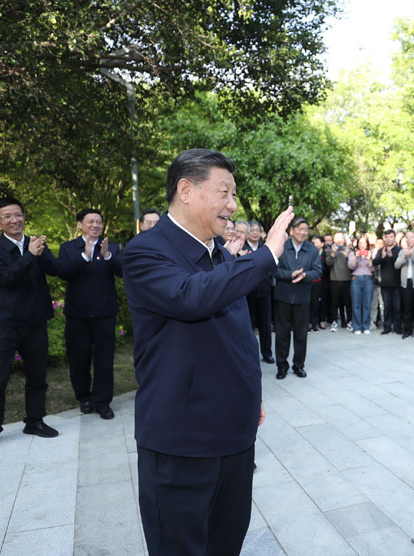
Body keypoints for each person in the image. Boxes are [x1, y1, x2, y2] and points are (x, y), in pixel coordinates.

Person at [122, 148, 293, 556]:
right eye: (224, 193)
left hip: (233, 434)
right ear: (186, 190)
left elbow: (235, 336)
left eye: (233, 195)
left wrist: (250, 395)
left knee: (225, 543)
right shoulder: (147, 251)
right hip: (181, 442)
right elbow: (191, 297)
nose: (232, 205)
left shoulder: (217, 253)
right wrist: (266, 255)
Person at [0, 198, 61, 451]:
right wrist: (30, 256)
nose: (15, 220)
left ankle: (35, 421)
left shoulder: (36, 243)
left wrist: (41, 255)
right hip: (4, 325)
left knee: (37, 377)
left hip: (35, 322)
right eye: (7, 216)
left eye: (18, 215)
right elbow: (5, 278)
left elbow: (56, 270)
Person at [57, 208, 123, 419]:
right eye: (90, 221)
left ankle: (102, 401)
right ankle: (84, 397)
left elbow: (123, 271)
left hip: (105, 313)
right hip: (77, 315)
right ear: (80, 224)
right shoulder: (68, 248)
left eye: (98, 222)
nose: (95, 225)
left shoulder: (111, 247)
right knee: (79, 359)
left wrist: (108, 256)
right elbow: (65, 272)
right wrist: (85, 255)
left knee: (104, 359)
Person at [273, 217, 322, 379]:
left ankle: (298, 365)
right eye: (299, 229)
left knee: (301, 335)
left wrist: (305, 275)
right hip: (283, 297)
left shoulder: (312, 250)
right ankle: (281, 366)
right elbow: (273, 269)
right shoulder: (281, 246)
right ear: (291, 231)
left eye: (305, 229)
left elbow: (318, 272)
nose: (302, 232)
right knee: (282, 334)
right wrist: (290, 274)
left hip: (303, 297)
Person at [245, 220, 274, 364]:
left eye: (257, 231)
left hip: (264, 292)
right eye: (252, 230)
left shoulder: (264, 248)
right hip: (247, 293)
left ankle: (267, 353)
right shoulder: (242, 247)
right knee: (248, 326)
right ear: (247, 233)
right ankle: (249, 355)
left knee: (265, 325)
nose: (255, 233)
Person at [394, 230, 414, 339]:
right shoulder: (401, 251)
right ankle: (407, 331)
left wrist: (412, 255)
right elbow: (396, 265)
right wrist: (404, 256)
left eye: (411, 237)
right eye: (407, 238)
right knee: (407, 308)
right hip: (405, 283)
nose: (409, 240)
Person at [373, 229, 402, 335]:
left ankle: (397, 327)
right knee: (387, 306)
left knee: (397, 307)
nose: (389, 239)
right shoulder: (381, 250)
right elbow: (374, 262)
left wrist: (391, 256)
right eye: (387, 237)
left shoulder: (399, 250)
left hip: (397, 283)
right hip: (385, 283)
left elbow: (400, 263)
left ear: (394, 238)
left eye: (391, 237)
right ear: (384, 238)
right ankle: (387, 327)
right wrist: (382, 257)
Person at [348, 234, 375, 334]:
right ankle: (357, 327)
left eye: (364, 242)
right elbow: (351, 266)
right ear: (357, 244)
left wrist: (369, 259)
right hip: (356, 278)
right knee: (356, 303)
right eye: (360, 243)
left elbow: (373, 268)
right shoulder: (353, 253)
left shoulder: (371, 253)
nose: (362, 245)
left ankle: (366, 326)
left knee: (367, 303)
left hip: (368, 278)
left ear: (367, 244)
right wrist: (356, 257)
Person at [325, 232, 352, 331]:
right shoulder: (329, 250)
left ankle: (349, 322)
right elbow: (328, 263)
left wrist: (347, 255)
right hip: (334, 280)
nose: (339, 239)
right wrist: (333, 252)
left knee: (348, 303)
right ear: (334, 240)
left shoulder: (349, 250)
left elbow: (352, 265)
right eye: (337, 238)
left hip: (347, 280)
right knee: (334, 303)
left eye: (341, 237)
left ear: (344, 239)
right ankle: (334, 322)